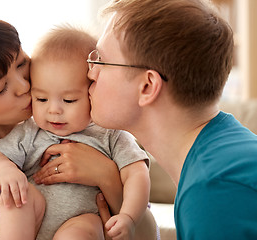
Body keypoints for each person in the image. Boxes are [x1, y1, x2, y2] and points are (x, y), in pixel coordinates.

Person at [0, 2, 158, 240]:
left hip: (83, 226)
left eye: (22, 63)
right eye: (0, 89)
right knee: (16, 198)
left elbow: (145, 233)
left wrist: (106, 176)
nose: (25, 87)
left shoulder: (73, 115)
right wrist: (7, 172)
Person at [85, 0, 257, 239]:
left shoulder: (214, 190)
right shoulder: (224, 152)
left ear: (147, 86)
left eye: (101, 61)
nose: (90, 72)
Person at [0, 25, 150, 240]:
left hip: (83, 218)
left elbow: (137, 174)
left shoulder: (110, 133)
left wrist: (129, 216)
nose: (53, 110)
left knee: (81, 231)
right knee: (15, 199)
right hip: (34, 218)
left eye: (69, 100)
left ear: (93, 90)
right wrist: (5, 171)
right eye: (41, 99)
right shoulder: (30, 131)